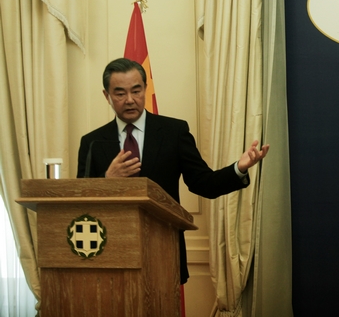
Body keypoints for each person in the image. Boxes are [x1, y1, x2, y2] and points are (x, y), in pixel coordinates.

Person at [77, 58, 269, 284]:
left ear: (145, 89)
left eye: (136, 91)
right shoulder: (92, 142)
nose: (129, 100)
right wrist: (107, 179)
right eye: (120, 93)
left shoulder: (173, 132)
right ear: (106, 95)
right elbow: (80, 202)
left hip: (164, 247)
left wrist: (239, 168)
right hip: (110, 253)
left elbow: (203, 183)